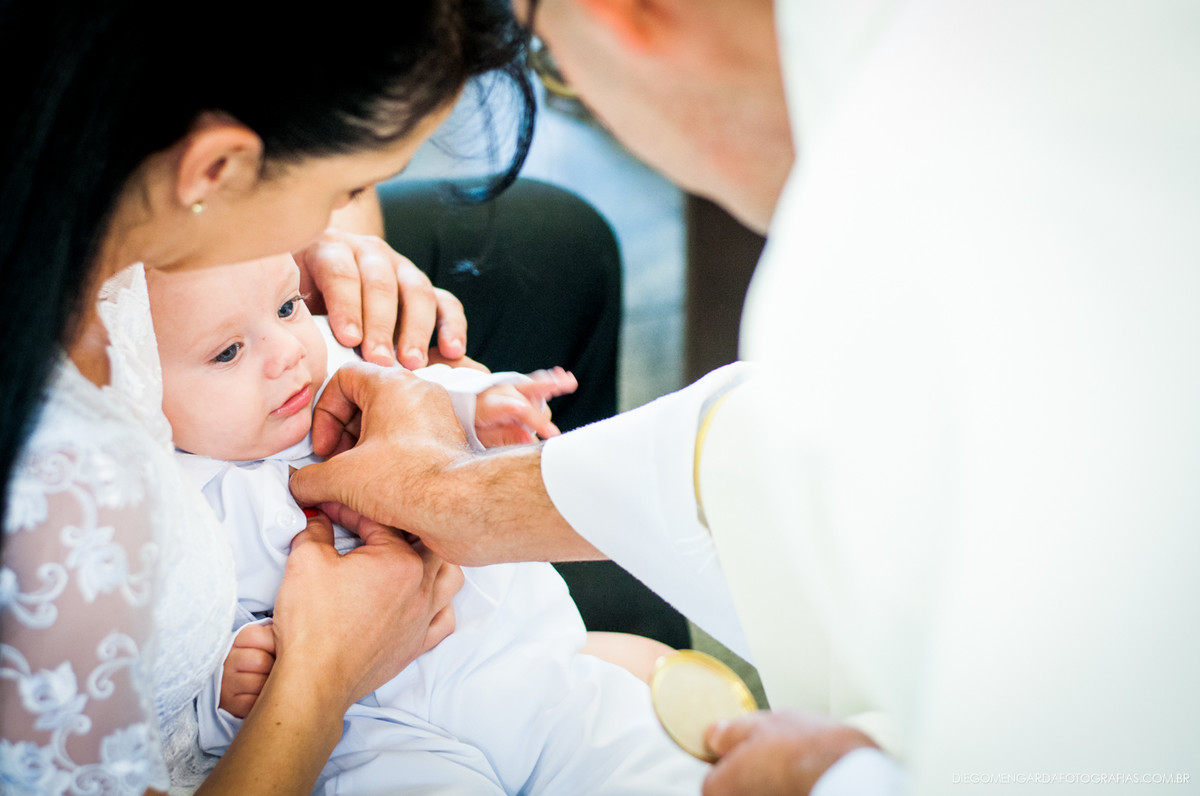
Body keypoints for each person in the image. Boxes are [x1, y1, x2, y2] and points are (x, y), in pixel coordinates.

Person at [290, 0, 1200, 793]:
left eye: (552, 58)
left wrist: (845, 782)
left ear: (621, 13)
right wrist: (474, 500)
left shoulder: (908, 238)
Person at [0, 1, 541, 792]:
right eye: (346, 187)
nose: (338, 221)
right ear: (215, 170)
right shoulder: (65, 494)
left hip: (491, 664)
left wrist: (312, 269)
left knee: (564, 244)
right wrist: (324, 672)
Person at [145, 252, 706, 793]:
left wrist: (481, 410)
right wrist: (225, 689)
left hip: (515, 664)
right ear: (137, 388)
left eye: (287, 306)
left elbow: (424, 399)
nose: (288, 351)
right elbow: (173, 675)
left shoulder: (335, 374)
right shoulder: (166, 514)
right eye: (228, 353)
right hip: (373, 738)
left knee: (642, 754)